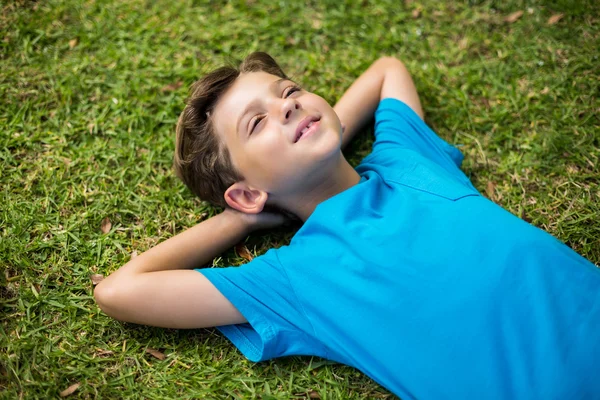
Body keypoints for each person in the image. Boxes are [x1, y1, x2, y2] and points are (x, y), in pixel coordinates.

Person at [94, 52, 600, 398]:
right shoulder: (293, 279)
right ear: (247, 191)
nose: (286, 104)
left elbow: (386, 69)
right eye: (257, 122)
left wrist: (318, 122)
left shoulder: (409, 160)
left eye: (288, 91)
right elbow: (120, 292)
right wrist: (239, 221)